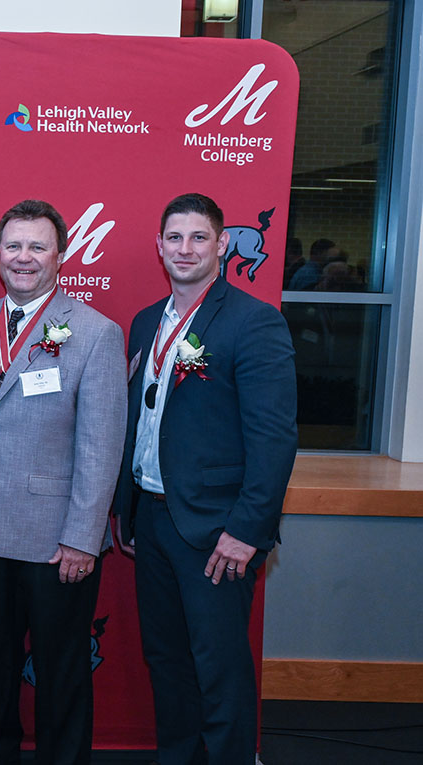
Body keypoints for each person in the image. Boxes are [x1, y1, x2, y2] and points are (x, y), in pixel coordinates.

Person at [114, 193, 297, 765]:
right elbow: (140, 418)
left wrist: (248, 530)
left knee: (218, 666)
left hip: (218, 530)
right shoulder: (147, 322)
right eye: (174, 238)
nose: (185, 249)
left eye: (199, 238)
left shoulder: (254, 322)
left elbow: (274, 438)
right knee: (166, 659)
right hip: (154, 517)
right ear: (159, 246)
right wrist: (127, 507)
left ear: (222, 245)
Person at [0, 199, 126, 765]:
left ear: (61, 255)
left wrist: (81, 536)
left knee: (62, 668)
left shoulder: (95, 334)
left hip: (56, 540)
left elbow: (102, 446)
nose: (24, 258)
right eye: (13, 246)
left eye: (37, 246)